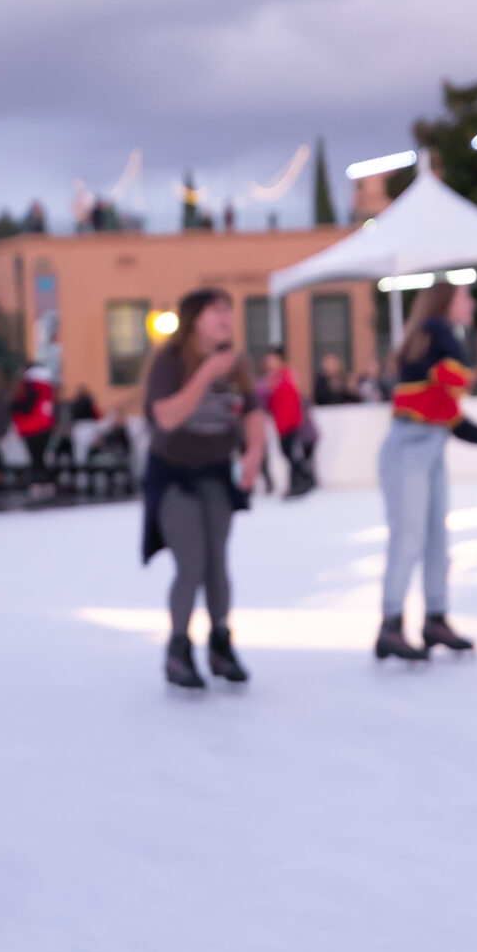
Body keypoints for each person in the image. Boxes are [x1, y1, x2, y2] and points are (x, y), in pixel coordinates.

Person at [376, 282, 477, 661]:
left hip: (431, 449)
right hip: (408, 449)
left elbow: (449, 414)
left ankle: (435, 617)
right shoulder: (434, 334)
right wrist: (447, 326)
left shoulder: (432, 343)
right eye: (464, 297)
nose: (471, 303)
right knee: (409, 536)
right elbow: (457, 376)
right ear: (446, 302)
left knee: (437, 538)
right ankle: (390, 623)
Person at [140, 288, 263, 691]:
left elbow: (251, 412)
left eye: (229, 309)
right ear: (195, 319)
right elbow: (166, 418)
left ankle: (221, 644)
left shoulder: (236, 364)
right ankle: (178, 649)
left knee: (216, 565)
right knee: (190, 562)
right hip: (174, 474)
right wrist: (207, 373)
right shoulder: (171, 362)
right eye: (216, 311)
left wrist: (253, 454)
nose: (226, 317)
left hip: (215, 473)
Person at [261, 350, 317, 498]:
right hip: (281, 425)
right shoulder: (272, 380)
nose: (269, 363)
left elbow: (293, 400)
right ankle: (300, 481)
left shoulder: (286, 376)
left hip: (290, 424)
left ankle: (300, 482)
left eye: (272, 360)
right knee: (288, 455)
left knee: (291, 455)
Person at [12, 365, 58, 495]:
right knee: (39, 457)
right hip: (43, 427)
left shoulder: (31, 388)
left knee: (36, 457)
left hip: (32, 428)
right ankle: (45, 482)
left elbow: (25, 406)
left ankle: (39, 482)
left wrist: (13, 406)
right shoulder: (46, 390)